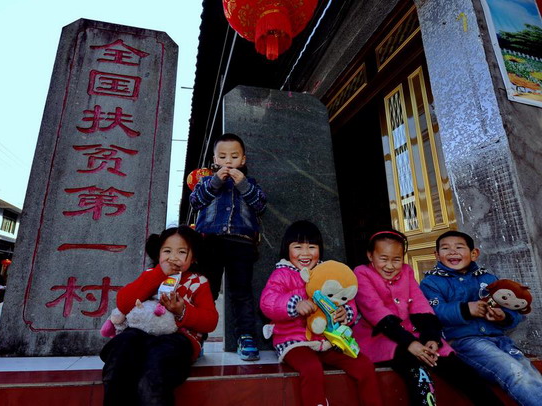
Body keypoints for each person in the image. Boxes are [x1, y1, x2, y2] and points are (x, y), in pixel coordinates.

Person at [353, 230, 502, 406]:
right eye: (383, 259)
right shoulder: (362, 273)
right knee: (416, 371)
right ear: (370, 255)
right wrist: (410, 344)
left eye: (396, 259)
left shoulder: (407, 272)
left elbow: (419, 304)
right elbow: (375, 311)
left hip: (413, 335)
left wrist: (431, 337)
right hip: (380, 337)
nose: (390, 266)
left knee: (459, 369)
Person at [260, 220, 383, 406]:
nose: (305, 253)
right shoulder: (282, 274)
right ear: (287, 249)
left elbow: (347, 298)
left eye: (312, 246)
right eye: (298, 247)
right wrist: (294, 304)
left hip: (328, 340)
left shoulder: (328, 271)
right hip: (294, 341)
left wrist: (345, 313)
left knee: (363, 365)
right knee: (311, 368)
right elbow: (267, 302)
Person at [420, 230, 542, 406]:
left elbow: (514, 310)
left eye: (459, 247)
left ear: (474, 253)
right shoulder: (431, 282)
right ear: (437, 255)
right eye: (445, 248)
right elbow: (433, 312)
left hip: (501, 340)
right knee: (515, 374)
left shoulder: (488, 278)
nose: (452, 252)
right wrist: (466, 310)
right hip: (466, 342)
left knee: (532, 375)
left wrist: (503, 317)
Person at [100, 226, 218, 406]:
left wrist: (182, 311)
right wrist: (158, 274)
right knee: (120, 356)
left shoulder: (198, 282)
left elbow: (210, 321)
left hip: (179, 338)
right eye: (167, 251)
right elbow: (123, 303)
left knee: (154, 372)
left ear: (193, 258)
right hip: (140, 333)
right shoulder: (150, 275)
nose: (173, 257)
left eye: (181, 252)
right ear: (158, 255)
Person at [189, 133, 266, 361]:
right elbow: (196, 202)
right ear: (214, 159)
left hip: (241, 244)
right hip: (210, 243)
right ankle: (197, 336)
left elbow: (260, 205)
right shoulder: (206, 182)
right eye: (222, 156)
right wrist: (215, 182)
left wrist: (242, 183)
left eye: (234, 156)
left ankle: (246, 337)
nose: (228, 161)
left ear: (243, 160)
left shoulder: (250, 183)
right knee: (206, 291)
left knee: (241, 293)